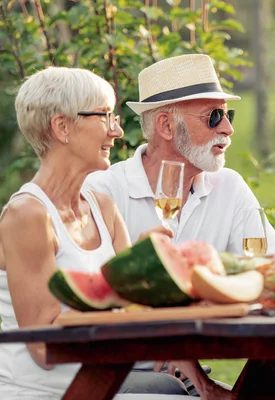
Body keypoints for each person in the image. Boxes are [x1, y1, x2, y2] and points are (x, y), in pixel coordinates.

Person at [0, 67, 223, 399]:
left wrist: (156, 276)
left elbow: (134, 307)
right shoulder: (26, 215)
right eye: (105, 116)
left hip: (107, 376)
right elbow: (43, 349)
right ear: (62, 127)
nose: (117, 131)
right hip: (47, 391)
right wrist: (123, 284)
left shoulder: (102, 207)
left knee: (186, 390)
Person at [84, 54, 275, 255]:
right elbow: (89, 281)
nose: (227, 128)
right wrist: (133, 260)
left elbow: (274, 265)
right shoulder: (103, 191)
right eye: (214, 116)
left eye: (228, 115)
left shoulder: (229, 186)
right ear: (166, 126)